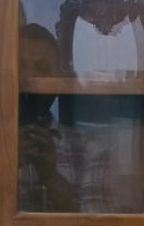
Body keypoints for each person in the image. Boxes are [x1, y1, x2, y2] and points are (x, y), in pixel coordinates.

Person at [17, 24, 115, 214]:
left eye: (42, 69)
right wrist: (4, 162)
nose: (29, 78)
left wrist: (50, 176)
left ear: (59, 81)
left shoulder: (90, 151)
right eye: (19, 66)